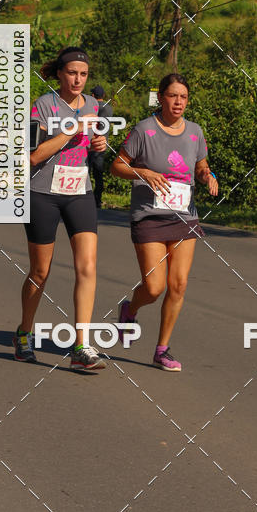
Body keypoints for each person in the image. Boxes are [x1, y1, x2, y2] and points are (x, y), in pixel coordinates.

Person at [111, 73, 218, 372]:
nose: (178, 102)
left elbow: (200, 165)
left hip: (185, 215)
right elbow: (117, 166)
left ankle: (162, 350)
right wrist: (143, 173)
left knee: (179, 284)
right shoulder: (144, 130)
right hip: (149, 216)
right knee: (154, 287)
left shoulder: (195, 131)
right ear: (161, 97)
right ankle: (129, 310)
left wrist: (207, 176)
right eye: (173, 96)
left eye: (183, 97)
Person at [14, 47, 108, 372]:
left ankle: (81, 344)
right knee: (40, 272)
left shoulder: (94, 105)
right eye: (72, 73)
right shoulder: (43, 105)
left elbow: (94, 141)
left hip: (79, 191)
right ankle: (24, 331)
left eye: (83, 74)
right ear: (60, 74)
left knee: (88, 266)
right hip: (43, 193)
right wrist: (73, 129)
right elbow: (33, 156)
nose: (78, 79)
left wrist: (99, 142)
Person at [88, 85, 113, 209]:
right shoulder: (109, 108)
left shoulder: (93, 108)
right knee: (99, 175)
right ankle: (97, 200)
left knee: (86, 173)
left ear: (93, 95)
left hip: (92, 144)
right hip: (103, 144)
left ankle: (84, 198)